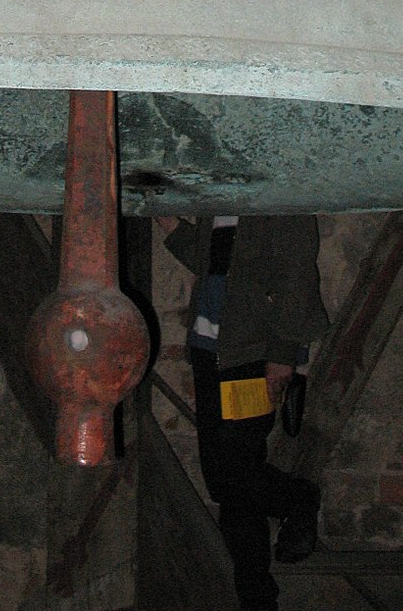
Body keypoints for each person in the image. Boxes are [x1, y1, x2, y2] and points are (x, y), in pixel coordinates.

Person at [169, 215, 326, 611]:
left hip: (252, 357)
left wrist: (282, 354)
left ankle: (299, 499)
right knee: (231, 490)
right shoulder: (220, 203)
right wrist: (170, 224)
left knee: (231, 478)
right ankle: (256, 598)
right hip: (211, 354)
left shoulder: (279, 197)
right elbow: (213, 264)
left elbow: (297, 276)